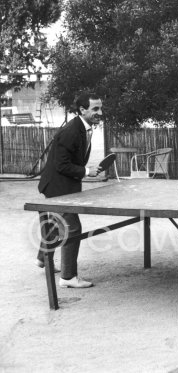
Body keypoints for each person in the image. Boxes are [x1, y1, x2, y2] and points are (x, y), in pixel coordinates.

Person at [36, 92, 104, 288]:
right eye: (95, 109)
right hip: (58, 186)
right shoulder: (71, 131)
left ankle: (42, 259)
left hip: (62, 184)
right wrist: (86, 171)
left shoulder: (83, 127)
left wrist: (86, 169)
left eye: (100, 108)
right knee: (72, 228)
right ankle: (68, 277)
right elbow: (61, 165)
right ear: (82, 110)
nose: (100, 112)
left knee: (57, 224)